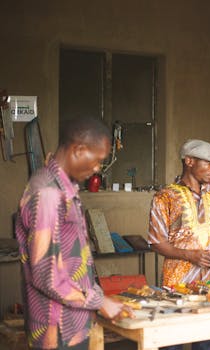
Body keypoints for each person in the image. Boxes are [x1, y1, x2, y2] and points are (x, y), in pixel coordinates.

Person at [15, 117, 132, 350]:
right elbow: (47, 276)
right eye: (98, 160)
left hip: (72, 325)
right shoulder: (48, 194)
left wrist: (99, 299)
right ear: (78, 150)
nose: (98, 168)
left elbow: (74, 260)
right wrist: (99, 302)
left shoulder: (63, 189)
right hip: (57, 329)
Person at [149, 139, 210, 350]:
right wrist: (189, 255)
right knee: (172, 341)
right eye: (208, 163)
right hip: (175, 285)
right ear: (189, 161)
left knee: (209, 340)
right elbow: (156, 242)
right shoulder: (165, 197)